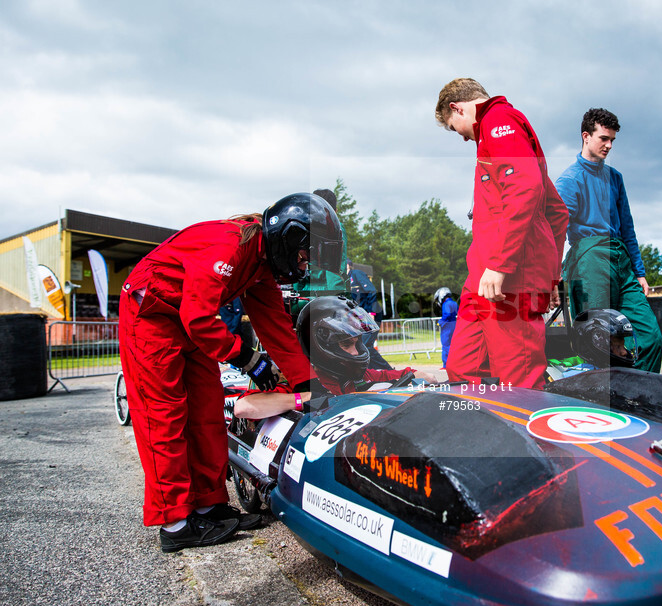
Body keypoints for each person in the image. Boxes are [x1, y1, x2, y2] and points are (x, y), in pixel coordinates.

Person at [118, 192, 343, 553]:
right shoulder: (231, 245)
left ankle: (210, 506)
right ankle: (176, 523)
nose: (303, 266)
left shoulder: (259, 265)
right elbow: (198, 317)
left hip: (188, 317)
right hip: (152, 313)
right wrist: (247, 358)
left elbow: (279, 331)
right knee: (165, 415)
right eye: (304, 256)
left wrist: (311, 387)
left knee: (207, 412)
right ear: (289, 235)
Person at [435, 77, 568, 389]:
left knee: (519, 381)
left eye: (455, 128)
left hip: (508, 276)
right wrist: (551, 276)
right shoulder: (494, 140)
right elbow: (556, 211)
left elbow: (525, 187)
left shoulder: (498, 119)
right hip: (481, 279)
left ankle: (531, 435)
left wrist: (501, 264)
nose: (463, 139)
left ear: (458, 108)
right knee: (462, 368)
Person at [554, 108, 662, 374]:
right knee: (599, 343)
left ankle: (643, 398)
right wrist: (552, 276)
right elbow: (555, 232)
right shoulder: (569, 181)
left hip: (621, 259)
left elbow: (628, 227)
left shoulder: (616, 178)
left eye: (612, 140)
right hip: (589, 258)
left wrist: (639, 272)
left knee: (651, 338)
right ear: (586, 136)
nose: (609, 145)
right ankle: (605, 409)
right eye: (604, 138)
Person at [234, 296, 438, 419]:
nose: (357, 352)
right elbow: (243, 408)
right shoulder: (301, 383)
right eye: (347, 344)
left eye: (358, 343)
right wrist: (302, 399)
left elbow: (422, 376)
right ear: (320, 345)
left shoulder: (362, 376)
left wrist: (403, 383)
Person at [568, 308, 662, 381]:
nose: (625, 352)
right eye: (618, 347)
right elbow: (639, 397)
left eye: (623, 345)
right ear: (597, 345)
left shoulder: (611, 374)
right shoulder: (584, 379)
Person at [290, 189, 348, 313]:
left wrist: (295, 296)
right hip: (326, 297)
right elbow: (337, 268)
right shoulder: (337, 229)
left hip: (301, 297)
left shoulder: (303, 227)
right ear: (335, 211)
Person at [347, 260, 391, 369]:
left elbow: (371, 291)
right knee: (361, 347)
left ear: (347, 265)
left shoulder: (356, 274)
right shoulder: (343, 280)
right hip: (360, 316)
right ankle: (372, 373)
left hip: (370, 314)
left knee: (365, 346)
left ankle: (388, 371)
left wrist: (371, 312)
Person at [434, 286, 457, 368]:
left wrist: (439, 323)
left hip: (447, 326)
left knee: (446, 345)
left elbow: (447, 315)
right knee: (453, 344)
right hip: (454, 324)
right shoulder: (454, 303)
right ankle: (455, 363)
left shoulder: (446, 304)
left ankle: (446, 365)